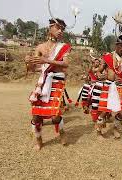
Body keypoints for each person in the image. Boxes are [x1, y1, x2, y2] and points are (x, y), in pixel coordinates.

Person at [26, 18, 71, 150]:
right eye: (58, 28)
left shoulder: (64, 47)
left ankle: (62, 133)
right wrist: (28, 62)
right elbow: (33, 69)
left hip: (57, 81)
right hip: (43, 81)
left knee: (56, 115)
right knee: (36, 115)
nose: (60, 31)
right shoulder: (40, 47)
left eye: (62, 29)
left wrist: (46, 60)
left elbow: (66, 64)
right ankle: (38, 140)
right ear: (50, 28)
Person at [95, 35, 122, 139]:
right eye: (121, 45)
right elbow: (100, 70)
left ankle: (115, 128)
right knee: (104, 111)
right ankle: (99, 131)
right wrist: (99, 74)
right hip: (108, 86)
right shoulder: (108, 57)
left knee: (121, 113)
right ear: (116, 45)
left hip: (120, 87)